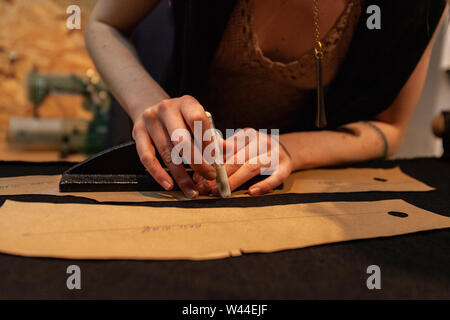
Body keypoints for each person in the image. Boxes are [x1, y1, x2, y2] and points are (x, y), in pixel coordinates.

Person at [85, 0, 448, 198]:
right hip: (175, 179)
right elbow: (105, 25)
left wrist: (287, 150)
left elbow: (389, 128)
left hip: (294, 194)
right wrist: (148, 103)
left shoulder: (417, 7)